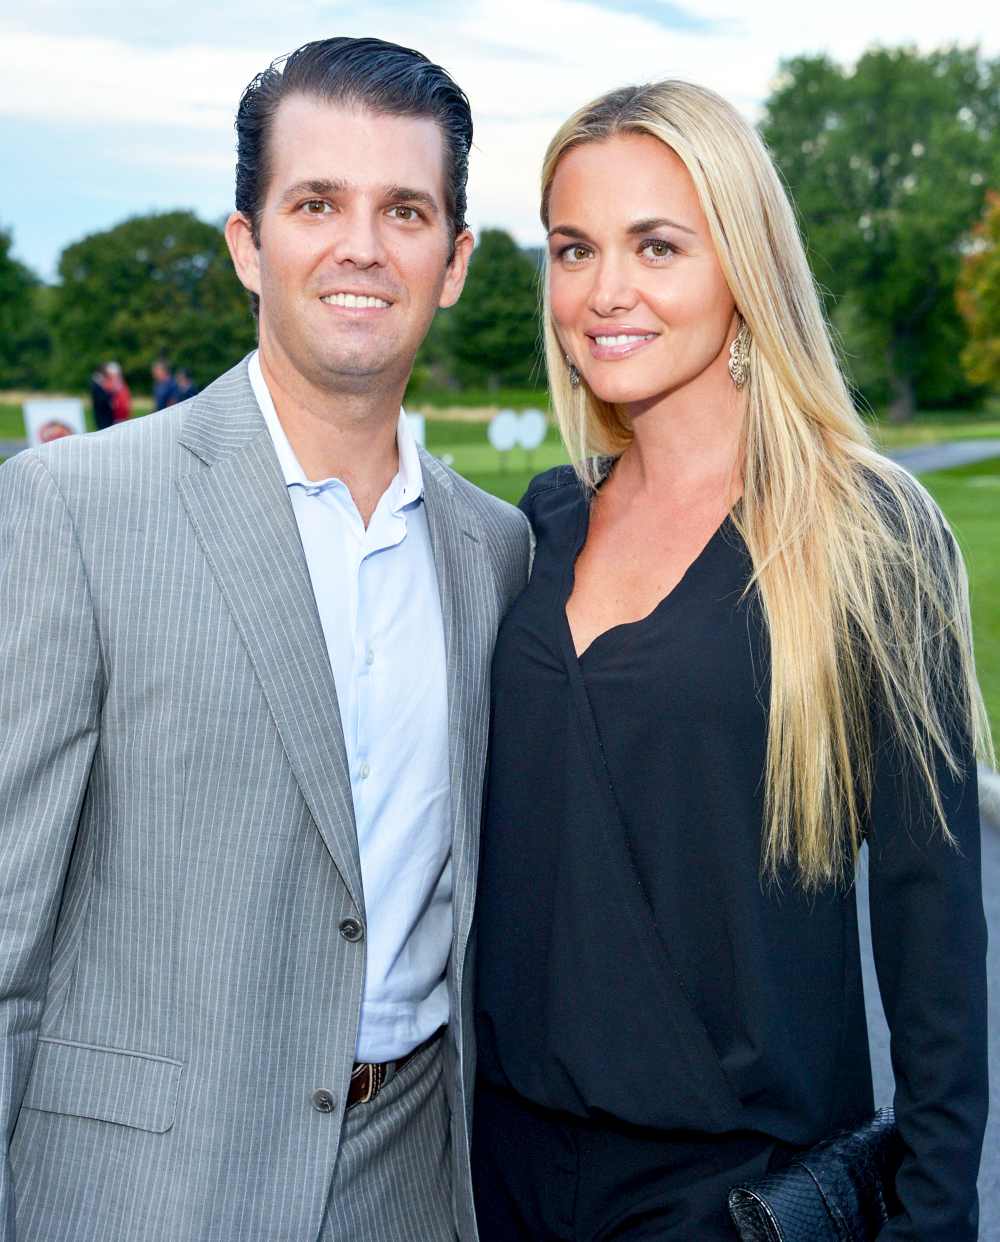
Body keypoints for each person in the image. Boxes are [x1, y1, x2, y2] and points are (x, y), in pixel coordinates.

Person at [0, 36, 529, 1242]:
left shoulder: (496, 552)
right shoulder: (75, 511)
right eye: (315, 203)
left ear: (451, 263)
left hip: (411, 1186)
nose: (360, 246)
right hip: (138, 1199)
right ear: (248, 243)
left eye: (404, 210)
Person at [473, 81, 990, 1241]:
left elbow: (936, 940)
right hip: (493, 1173)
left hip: (731, 1197)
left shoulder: (867, 539)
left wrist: (933, 1219)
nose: (605, 291)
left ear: (742, 265)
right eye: (572, 248)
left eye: (656, 246)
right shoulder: (540, 526)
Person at [89, 363, 114, 429]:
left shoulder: (99, 380)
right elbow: (101, 398)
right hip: (102, 412)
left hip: (102, 411)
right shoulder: (97, 381)